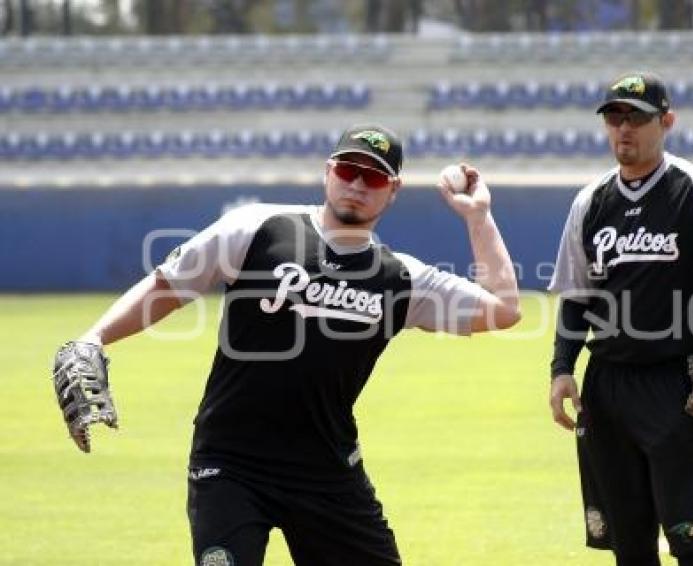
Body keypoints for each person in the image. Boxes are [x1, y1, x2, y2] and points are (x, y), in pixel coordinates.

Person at [61, 123, 521, 565]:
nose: (358, 184)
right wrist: (95, 337)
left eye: (374, 176)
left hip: (326, 470)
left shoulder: (401, 278)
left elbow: (504, 309)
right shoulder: (257, 228)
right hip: (229, 462)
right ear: (327, 172)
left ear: (393, 189)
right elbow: (166, 288)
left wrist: (478, 217)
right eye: (347, 170)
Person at [547, 72, 693, 566]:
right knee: (627, 542)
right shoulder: (590, 202)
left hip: (676, 383)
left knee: (687, 531)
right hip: (605, 386)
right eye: (615, 118)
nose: (624, 129)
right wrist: (562, 368)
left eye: (637, 118)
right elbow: (577, 297)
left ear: (666, 121)